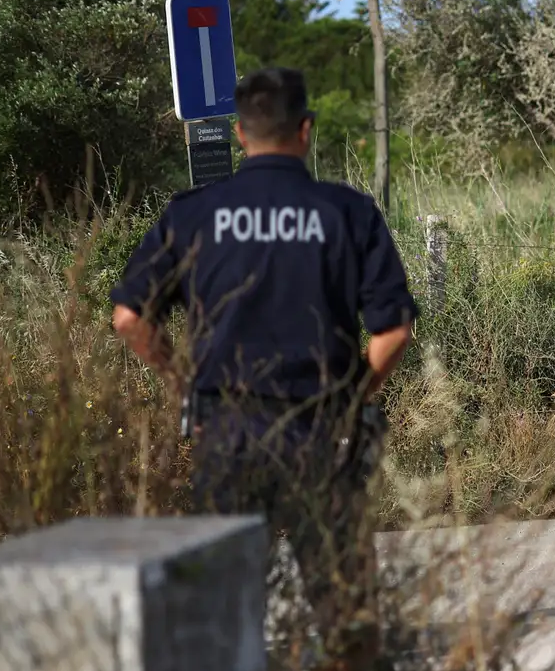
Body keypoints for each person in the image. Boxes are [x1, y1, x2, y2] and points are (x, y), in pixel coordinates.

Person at [110, 66, 417, 611]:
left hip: (226, 433)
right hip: (321, 432)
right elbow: (393, 330)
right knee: (346, 613)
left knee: (223, 613)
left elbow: (129, 318)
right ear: (306, 128)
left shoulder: (193, 214)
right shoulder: (348, 213)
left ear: (239, 133)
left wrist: (182, 382)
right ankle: (348, 667)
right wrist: (353, 397)